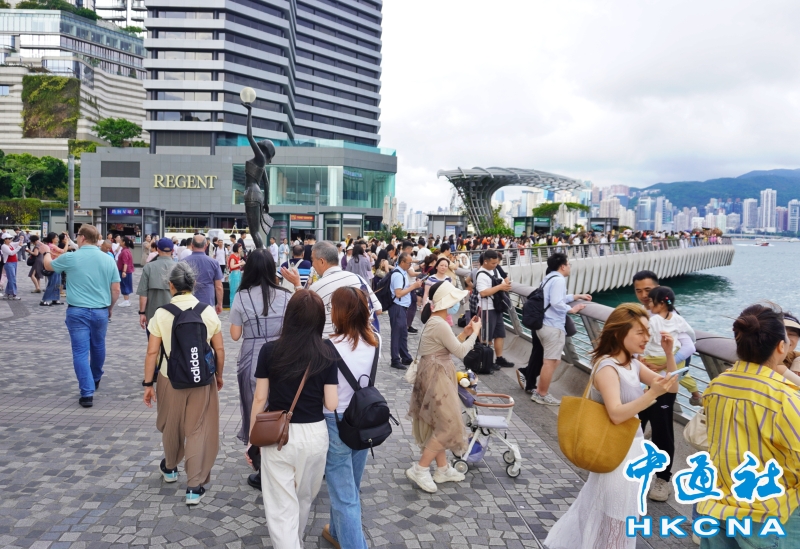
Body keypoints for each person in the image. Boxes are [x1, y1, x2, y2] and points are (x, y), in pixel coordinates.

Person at [544, 303, 678, 549]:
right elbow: (616, 414)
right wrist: (651, 394)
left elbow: (670, 386)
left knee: (611, 517)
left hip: (632, 451)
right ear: (619, 333)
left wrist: (670, 355)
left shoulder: (632, 364)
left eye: (648, 332)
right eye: (640, 332)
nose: (646, 338)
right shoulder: (608, 367)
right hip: (616, 454)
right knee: (616, 519)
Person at [697, 303, 800, 548]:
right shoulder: (784, 398)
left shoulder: (717, 385)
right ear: (781, 347)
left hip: (717, 506)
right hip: (766, 515)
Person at [246, 290, 339, 549]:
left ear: (289, 316)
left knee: (280, 505)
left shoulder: (269, 350)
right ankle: (295, 541)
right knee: (303, 498)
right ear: (320, 320)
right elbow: (331, 403)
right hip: (315, 435)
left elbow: (259, 398)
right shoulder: (327, 351)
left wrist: (253, 438)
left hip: (278, 435)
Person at [142, 261, 225, 506]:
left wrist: (148, 384)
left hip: (169, 378)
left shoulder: (161, 313)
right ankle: (194, 487)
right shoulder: (207, 311)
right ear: (193, 284)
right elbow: (219, 349)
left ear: (171, 285)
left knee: (171, 425)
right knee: (197, 429)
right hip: (201, 380)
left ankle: (170, 468)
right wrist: (219, 376)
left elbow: (152, 352)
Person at [406, 281, 481, 492]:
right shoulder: (439, 324)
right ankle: (420, 469)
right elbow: (461, 352)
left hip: (433, 372)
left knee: (437, 423)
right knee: (448, 425)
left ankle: (443, 468)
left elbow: (446, 346)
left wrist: (465, 333)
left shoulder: (436, 322)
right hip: (436, 376)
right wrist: (475, 333)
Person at [321, 287, 381, 549]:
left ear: (338, 312)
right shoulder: (376, 340)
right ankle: (336, 532)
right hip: (364, 419)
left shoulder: (328, 346)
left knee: (344, 495)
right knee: (350, 488)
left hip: (335, 421)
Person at [230, 249, 291, 490]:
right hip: (281, 355)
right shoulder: (285, 295)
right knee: (280, 407)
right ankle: (281, 457)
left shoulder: (241, 296)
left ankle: (259, 459)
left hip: (252, 356)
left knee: (254, 408)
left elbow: (235, 335)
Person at [43, 225, 120, 408]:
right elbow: (116, 289)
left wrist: (46, 251)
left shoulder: (71, 257)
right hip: (100, 310)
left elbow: (48, 265)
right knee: (98, 345)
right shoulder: (108, 259)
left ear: (83, 238)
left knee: (80, 352)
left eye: (77, 236)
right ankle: (95, 377)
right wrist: (110, 308)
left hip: (77, 310)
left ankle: (86, 393)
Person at [280, 241, 382, 338]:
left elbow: (304, 315)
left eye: (313, 260)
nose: (312, 264)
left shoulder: (317, 287)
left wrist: (297, 285)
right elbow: (378, 309)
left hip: (330, 343)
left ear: (322, 261)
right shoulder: (358, 279)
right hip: (362, 341)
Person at [632, 270, 702, 405]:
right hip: (648, 368)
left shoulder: (671, 317)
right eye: (638, 291)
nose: (644, 295)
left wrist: (662, 366)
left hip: (662, 372)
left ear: (658, 289)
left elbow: (689, 346)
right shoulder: (640, 312)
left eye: (648, 290)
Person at [531, 253, 591, 405]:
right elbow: (556, 302)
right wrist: (572, 309)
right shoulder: (559, 280)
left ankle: (539, 391)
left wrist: (575, 296)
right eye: (569, 264)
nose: (570, 267)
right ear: (563, 266)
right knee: (550, 362)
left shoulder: (549, 278)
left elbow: (554, 299)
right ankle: (541, 394)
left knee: (554, 361)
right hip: (553, 326)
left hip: (544, 324)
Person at [475, 250, 519, 370]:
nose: (495, 265)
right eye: (493, 263)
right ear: (485, 261)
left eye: (496, 263)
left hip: (496, 307)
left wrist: (504, 285)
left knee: (500, 334)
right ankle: (486, 361)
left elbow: (501, 282)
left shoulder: (494, 270)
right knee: (486, 337)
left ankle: (499, 358)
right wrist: (500, 287)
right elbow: (483, 293)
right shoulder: (481, 274)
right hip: (487, 308)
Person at [388, 252, 423, 370]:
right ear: (402, 262)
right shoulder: (398, 275)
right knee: (397, 334)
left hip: (401, 307)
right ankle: (395, 359)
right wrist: (414, 286)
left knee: (403, 333)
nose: (410, 265)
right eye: (409, 263)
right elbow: (398, 293)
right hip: (397, 306)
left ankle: (405, 356)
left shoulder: (402, 272)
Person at [136, 238, 176, 334]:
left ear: (158, 249)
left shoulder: (149, 267)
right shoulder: (178, 267)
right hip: (174, 314)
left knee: (152, 341)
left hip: (153, 314)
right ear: (172, 250)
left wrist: (142, 313)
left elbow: (143, 295)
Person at [183, 235, 223, 314]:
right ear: (206, 246)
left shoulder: (183, 262)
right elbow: (218, 287)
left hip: (188, 303)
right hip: (207, 302)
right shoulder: (214, 263)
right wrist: (219, 304)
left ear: (192, 245)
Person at [40, 232, 65, 306]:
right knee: (53, 283)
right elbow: (63, 251)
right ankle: (45, 300)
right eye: (56, 237)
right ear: (52, 238)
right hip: (53, 266)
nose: (57, 239)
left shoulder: (50, 245)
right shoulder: (51, 246)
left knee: (57, 283)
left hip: (56, 266)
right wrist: (67, 243)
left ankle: (55, 299)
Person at [1, 232, 23, 300]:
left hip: (14, 262)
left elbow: (18, 243)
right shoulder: (4, 246)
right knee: (12, 279)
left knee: (11, 278)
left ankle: (7, 293)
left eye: (11, 238)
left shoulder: (10, 244)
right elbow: (11, 253)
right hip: (8, 263)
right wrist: (19, 247)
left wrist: (21, 239)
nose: (11, 239)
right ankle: (13, 294)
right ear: (5, 239)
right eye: (9, 238)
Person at [116, 237, 135, 307]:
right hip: (127, 271)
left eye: (120, 241)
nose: (119, 242)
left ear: (124, 242)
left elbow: (125, 263)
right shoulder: (126, 250)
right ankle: (127, 300)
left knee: (124, 284)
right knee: (126, 284)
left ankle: (126, 300)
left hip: (125, 271)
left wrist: (124, 271)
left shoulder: (124, 252)